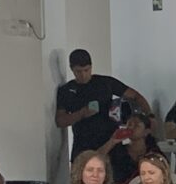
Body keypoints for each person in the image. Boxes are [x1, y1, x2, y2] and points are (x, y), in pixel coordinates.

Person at [53, 47, 147, 176]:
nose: (83, 75)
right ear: (72, 69)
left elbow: (136, 96)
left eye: (86, 70)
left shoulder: (105, 83)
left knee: (115, 181)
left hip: (111, 143)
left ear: (91, 67)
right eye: (78, 71)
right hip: (83, 145)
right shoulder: (67, 90)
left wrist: (150, 116)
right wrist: (81, 113)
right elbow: (60, 121)